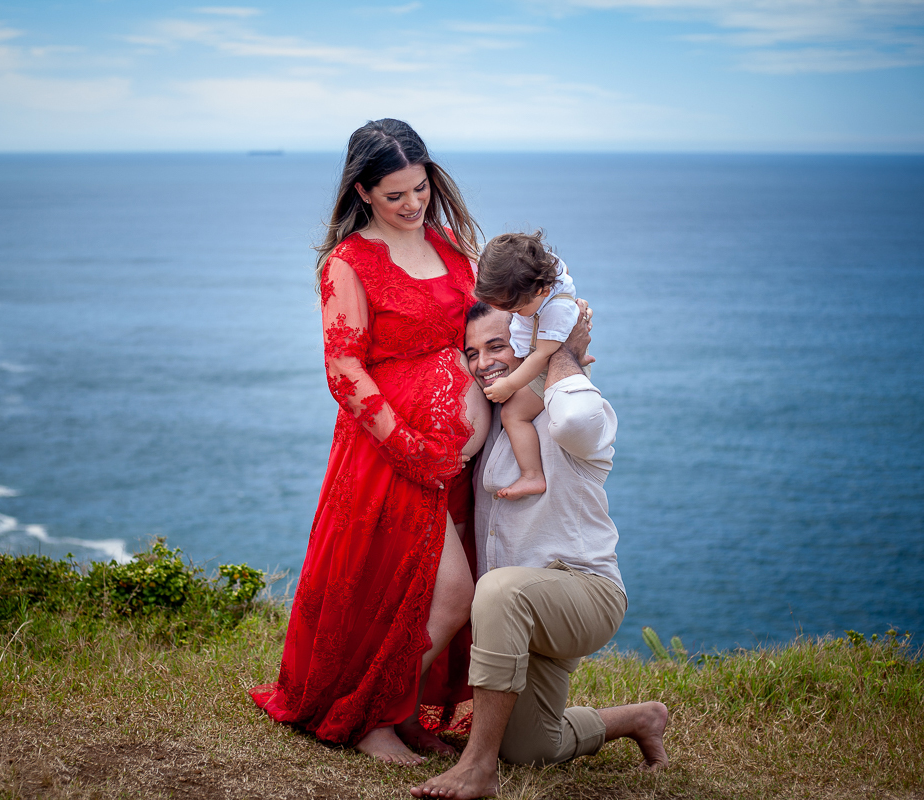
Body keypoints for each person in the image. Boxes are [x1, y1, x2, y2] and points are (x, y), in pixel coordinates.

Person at [250, 119, 491, 765]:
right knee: (449, 592)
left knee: (421, 593)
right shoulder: (348, 263)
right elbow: (343, 369)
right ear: (362, 191)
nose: (413, 204)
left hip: (456, 461)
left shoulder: (450, 245)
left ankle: (404, 712)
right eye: (395, 195)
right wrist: (413, 450)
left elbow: (483, 329)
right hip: (395, 456)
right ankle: (367, 719)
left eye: (421, 188)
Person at [412, 302, 668, 799]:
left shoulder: (571, 411)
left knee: (498, 590)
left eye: (497, 346)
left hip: (583, 593)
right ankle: (640, 718)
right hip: (520, 615)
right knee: (530, 747)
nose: (483, 362)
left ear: (528, 346)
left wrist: (562, 353)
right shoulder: (491, 421)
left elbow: (573, 418)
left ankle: (477, 768)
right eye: (472, 352)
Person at [474, 232, 580, 501]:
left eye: (516, 308)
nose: (510, 312)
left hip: (547, 368)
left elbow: (542, 356)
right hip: (536, 356)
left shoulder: (557, 309)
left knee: (512, 414)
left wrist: (509, 385)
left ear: (541, 290)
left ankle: (532, 475)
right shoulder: (545, 266)